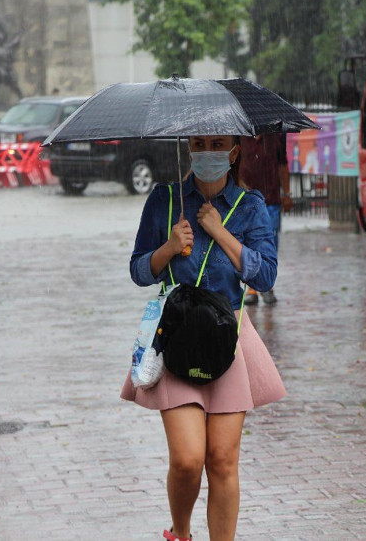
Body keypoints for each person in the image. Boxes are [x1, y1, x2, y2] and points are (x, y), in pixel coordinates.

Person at [121, 135, 286, 541]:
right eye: (199, 142)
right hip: (177, 333)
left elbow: (264, 277)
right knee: (188, 459)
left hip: (228, 337)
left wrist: (221, 233)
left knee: (223, 461)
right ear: (189, 148)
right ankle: (180, 532)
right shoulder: (165, 200)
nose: (207, 151)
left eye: (217, 143)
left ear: (233, 152)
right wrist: (168, 248)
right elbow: (139, 270)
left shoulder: (250, 206)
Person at [238, 133, 292, 304]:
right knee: (247, 245)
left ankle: (267, 285)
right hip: (245, 202)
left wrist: (287, 193)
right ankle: (252, 288)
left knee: (269, 245)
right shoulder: (239, 135)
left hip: (271, 201)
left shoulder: (275, 135)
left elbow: (283, 164)